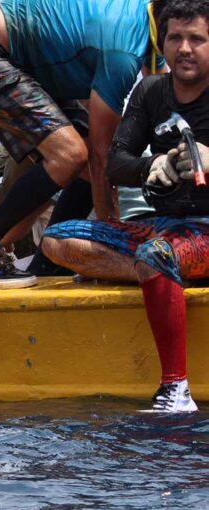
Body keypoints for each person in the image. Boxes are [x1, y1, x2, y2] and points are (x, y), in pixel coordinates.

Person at [40, 0, 209, 413]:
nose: (184, 48)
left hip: (204, 230)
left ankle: (176, 391)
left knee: (157, 254)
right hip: (162, 225)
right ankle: (161, 277)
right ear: (162, 42)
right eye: (175, 38)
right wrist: (154, 165)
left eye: (197, 39)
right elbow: (115, 163)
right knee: (56, 240)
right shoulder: (151, 91)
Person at [0, 0, 164, 288]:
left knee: (85, 160)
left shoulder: (153, 24)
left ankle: (48, 265)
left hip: (28, 60)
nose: (186, 49)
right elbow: (102, 156)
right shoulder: (123, 52)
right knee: (71, 155)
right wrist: (111, 242)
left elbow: (165, 105)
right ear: (168, 25)